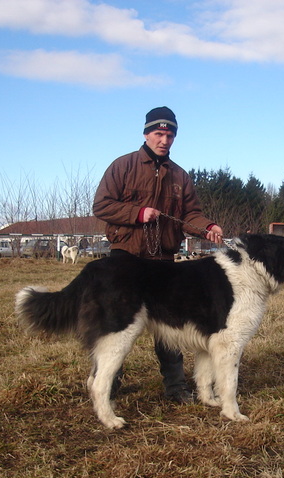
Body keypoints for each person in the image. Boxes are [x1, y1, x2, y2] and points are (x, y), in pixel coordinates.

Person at [93, 106, 224, 403]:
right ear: (146, 134)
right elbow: (101, 205)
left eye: (170, 135)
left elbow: (191, 214)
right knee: (117, 325)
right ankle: (108, 385)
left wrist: (208, 227)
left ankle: (176, 388)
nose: (164, 140)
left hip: (163, 261)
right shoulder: (122, 166)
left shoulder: (180, 175)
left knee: (171, 328)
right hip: (125, 257)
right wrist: (137, 213)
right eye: (158, 133)